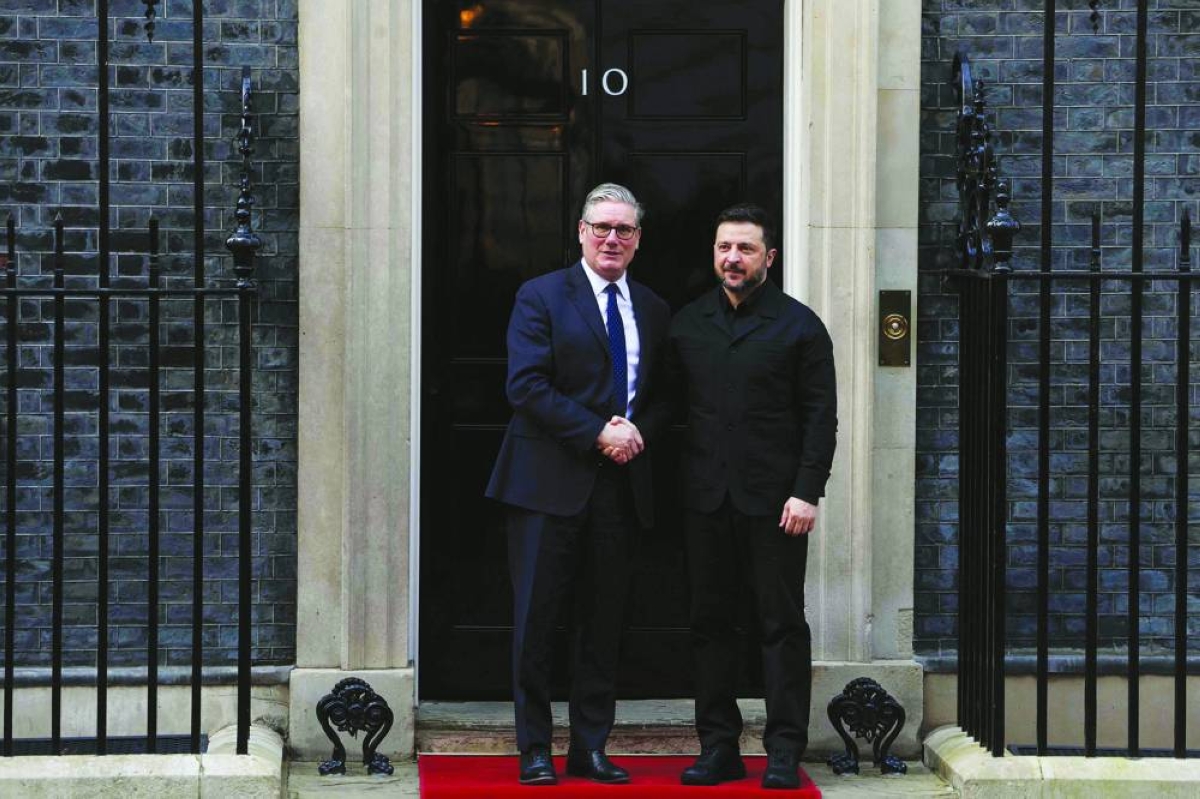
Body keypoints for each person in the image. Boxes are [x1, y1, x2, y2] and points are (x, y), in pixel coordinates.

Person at [485, 183, 671, 786]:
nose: (612, 239)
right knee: (538, 622)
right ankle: (534, 747)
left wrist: (637, 431)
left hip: (621, 490)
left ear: (638, 239)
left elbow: (666, 395)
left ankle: (590, 747)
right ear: (581, 233)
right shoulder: (540, 296)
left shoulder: (653, 306)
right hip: (546, 485)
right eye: (602, 228)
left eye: (624, 230)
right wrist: (599, 432)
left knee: (603, 624)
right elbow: (527, 386)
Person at [668, 203, 837, 790]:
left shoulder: (800, 326)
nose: (732, 258)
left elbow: (821, 418)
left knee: (781, 625)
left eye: (744, 248)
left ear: (770, 257)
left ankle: (785, 749)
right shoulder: (688, 324)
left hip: (776, 506)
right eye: (723, 248)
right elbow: (671, 411)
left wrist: (806, 492)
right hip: (705, 500)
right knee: (709, 625)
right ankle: (718, 747)